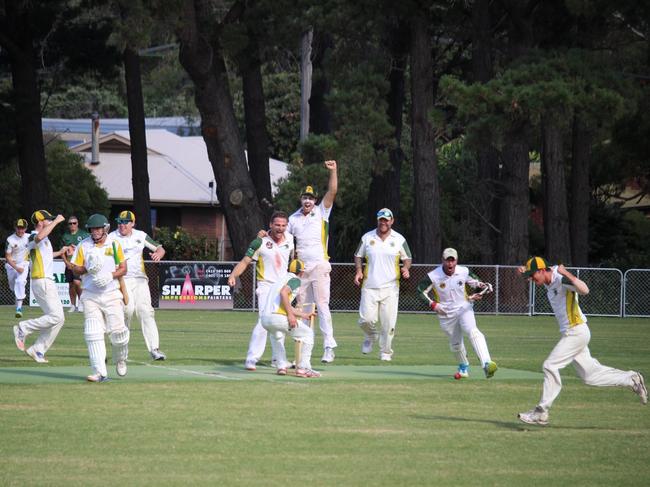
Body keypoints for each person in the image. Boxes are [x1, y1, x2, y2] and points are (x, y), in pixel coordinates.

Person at [517, 257, 647, 426]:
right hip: (572, 333)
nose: (531, 280)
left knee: (550, 366)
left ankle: (541, 412)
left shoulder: (560, 278)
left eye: (533, 276)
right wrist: (525, 271)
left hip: (576, 331)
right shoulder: (547, 277)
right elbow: (539, 271)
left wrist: (567, 274)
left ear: (542, 271)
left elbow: (585, 290)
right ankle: (631, 379)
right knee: (590, 376)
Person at [417, 248, 498, 379]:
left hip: (464, 308)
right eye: (447, 260)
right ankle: (463, 367)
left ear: (456, 260)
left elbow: (477, 284)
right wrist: (433, 304)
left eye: (452, 260)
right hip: (445, 314)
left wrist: (483, 288)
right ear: (442, 260)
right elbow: (420, 291)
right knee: (455, 345)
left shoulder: (464, 271)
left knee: (473, 331)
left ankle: (487, 364)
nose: (450, 264)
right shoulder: (433, 275)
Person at [228, 211, 294, 371]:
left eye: (283, 225)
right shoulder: (259, 242)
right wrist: (233, 275)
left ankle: (278, 360)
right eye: (277, 225)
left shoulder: (291, 240)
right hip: (265, 286)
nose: (280, 228)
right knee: (264, 321)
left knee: (279, 323)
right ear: (271, 224)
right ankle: (251, 359)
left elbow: (293, 261)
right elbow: (245, 261)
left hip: (282, 287)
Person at [287, 159, 338, 363]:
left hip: (319, 265)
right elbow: (287, 243)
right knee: (303, 308)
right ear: (300, 199)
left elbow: (332, 191)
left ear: (315, 199)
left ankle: (329, 346)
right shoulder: (293, 219)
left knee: (322, 305)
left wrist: (333, 171)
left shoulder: (322, 211)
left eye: (311, 198)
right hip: (302, 270)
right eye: (304, 198)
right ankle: (303, 353)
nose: (308, 201)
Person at [70, 213, 130, 382]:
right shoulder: (83, 246)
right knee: (93, 331)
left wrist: (110, 275)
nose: (95, 232)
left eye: (98, 228)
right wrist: (88, 268)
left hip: (111, 293)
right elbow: (75, 268)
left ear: (105, 229)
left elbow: (123, 269)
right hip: (90, 294)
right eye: (92, 229)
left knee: (119, 334)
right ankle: (99, 372)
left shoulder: (114, 244)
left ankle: (120, 360)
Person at [353, 208, 411, 361]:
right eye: (381, 219)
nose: (383, 222)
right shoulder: (367, 237)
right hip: (369, 286)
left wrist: (405, 268)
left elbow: (408, 258)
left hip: (391, 288)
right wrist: (359, 271)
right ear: (378, 220)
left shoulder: (399, 239)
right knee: (365, 320)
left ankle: (386, 352)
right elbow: (358, 255)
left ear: (391, 221)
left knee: (388, 324)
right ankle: (371, 335)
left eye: (386, 220)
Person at [110, 210, 167, 360]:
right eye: (120, 222)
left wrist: (158, 254)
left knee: (146, 311)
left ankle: (154, 349)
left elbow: (160, 248)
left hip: (140, 279)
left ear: (132, 223)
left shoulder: (140, 235)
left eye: (125, 222)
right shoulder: (111, 237)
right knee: (127, 311)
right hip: (122, 280)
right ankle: (122, 350)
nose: (122, 225)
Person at [13, 210, 68, 363]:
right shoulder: (31, 236)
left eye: (51, 219)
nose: (50, 221)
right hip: (42, 280)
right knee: (56, 316)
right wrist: (56, 222)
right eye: (48, 219)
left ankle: (38, 349)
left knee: (59, 319)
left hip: (47, 280)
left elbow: (47, 256)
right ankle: (23, 328)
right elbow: (39, 236)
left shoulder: (45, 238)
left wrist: (61, 251)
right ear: (40, 221)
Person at [261, 259, 320, 378]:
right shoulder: (295, 280)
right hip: (278, 318)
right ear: (301, 272)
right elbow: (284, 293)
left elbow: (282, 303)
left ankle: (281, 366)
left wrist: (303, 315)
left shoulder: (279, 281)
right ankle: (304, 368)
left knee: (276, 335)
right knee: (308, 334)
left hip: (265, 319)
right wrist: (291, 315)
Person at [61, 215, 89, 313]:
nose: (72, 225)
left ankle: (81, 303)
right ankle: (72, 305)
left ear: (77, 224)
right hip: (69, 264)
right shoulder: (65, 236)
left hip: (79, 264)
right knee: (71, 285)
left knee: (78, 283)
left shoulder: (84, 235)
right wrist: (66, 262)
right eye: (70, 223)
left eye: (74, 223)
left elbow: (88, 249)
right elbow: (62, 252)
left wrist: (76, 247)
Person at [5, 218, 30, 318]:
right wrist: (15, 267)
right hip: (11, 265)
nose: (21, 230)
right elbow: (7, 256)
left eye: (23, 228)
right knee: (13, 286)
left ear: (26, 228)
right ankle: (18, 299)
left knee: (20, 282)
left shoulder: (29, 237)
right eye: (19, 228)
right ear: (15, 228)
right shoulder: (10, 239)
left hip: (23, 264)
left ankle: (19, 308)